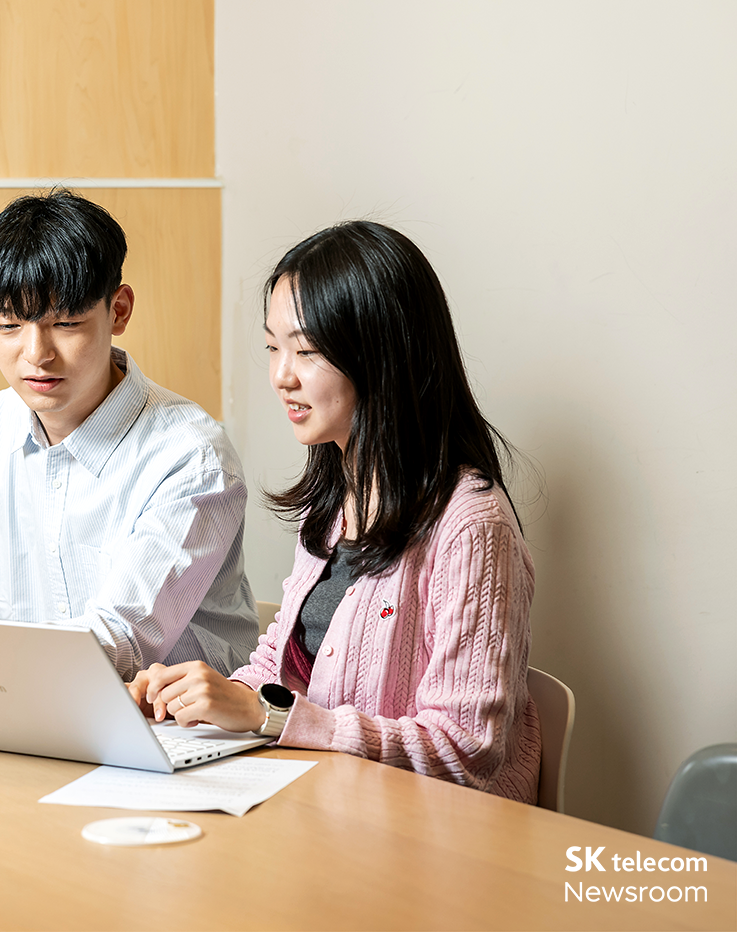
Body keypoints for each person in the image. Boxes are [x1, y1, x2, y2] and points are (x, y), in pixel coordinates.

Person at [131, 220, 541, 801]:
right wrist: (199, 697)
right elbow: (281, 668)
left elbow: (464, 749)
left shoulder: (472, 527)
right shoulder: (336, 498)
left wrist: (266, 715)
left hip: (436, 843)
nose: (281, 376)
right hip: (333, 805)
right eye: (274, 347)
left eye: (308, 350)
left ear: (383, 356)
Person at [0, 190, 260, 678]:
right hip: (34, 706)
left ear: (118, 310)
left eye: (67, 323)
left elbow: (120, 641)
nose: (36, 354)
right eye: (9, 324)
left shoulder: (191, 457)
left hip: (177, 729)